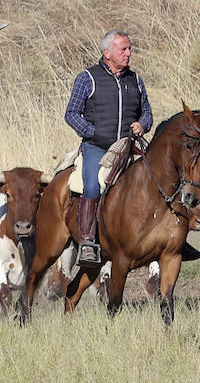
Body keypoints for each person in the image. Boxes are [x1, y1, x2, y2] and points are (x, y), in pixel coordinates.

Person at [64, 30, 154, 266]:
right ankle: (87, 243)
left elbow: (147, 113)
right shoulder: (87, 78)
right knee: (92, 186)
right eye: (123, 49)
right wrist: (91, 132)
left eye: (130, 48)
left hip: (128, 146)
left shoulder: (135, 80)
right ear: (107, 53)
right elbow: (71, 114)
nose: (128, 53)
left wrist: (142, 124)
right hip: (96, 148)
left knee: (156, 180)